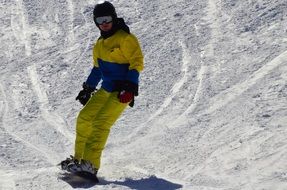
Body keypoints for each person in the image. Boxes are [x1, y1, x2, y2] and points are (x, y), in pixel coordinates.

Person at [60, 1, 144, 180]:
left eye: (107, 18)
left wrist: (130, 86)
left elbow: (137, 63)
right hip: (105, 89)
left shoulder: (125, 38)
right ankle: (79, 160)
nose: (104, 23)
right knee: (84, 118)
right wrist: (88, 88)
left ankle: (90, 166)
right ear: (95, 22)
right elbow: (97, 68)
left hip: (121, 92)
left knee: (100, 123)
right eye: (100, 20)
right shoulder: (99, 43)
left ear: (113, 17)